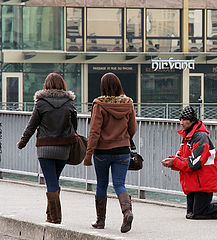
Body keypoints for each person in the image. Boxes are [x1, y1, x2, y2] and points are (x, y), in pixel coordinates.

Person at [17, 73, 77, 224]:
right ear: (62, 85)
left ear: (46, 85)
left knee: (51, 183)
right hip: (63, 148)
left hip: (45, 148)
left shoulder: (41, 103)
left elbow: (32, 126)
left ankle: (56, 218)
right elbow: (74, 127)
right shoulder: (69, 103)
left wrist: (23, 142)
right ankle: (50, 216)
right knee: (54, 181)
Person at [161, 105, 217, 219]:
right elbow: (183, 158)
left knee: (198, 213)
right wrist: (173, 161)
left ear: (192, 121)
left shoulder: (200, 137)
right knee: (191, 214)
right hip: (194, 182)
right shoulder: (188, 136)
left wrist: (175, 162)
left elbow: (196, 162)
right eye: (180, 119)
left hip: (203, 181)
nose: (181, 122)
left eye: (184, 120)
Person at [84, 72, 137, 233]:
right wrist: (124, 139)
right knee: (119, 184)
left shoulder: (99, 104)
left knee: (102, 184)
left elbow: (94, 131)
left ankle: (100, 221)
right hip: (122, 151)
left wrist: (88, 154)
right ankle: (127, 212)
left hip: (102, 152)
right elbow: (133, 128)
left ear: (102, 87)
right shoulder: (128, 103)